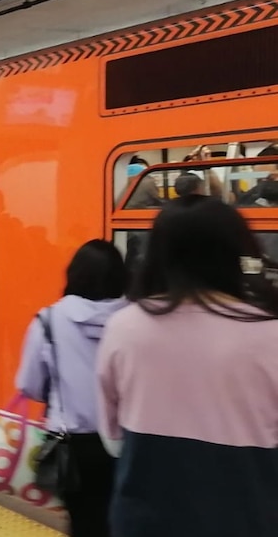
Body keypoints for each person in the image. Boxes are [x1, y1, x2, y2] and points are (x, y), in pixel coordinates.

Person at [97, 195, 278, 536]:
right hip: (248, 517)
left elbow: (112, 437)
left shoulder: (124, 327)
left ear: (156, 254)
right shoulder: (271, 334)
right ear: (236, 252)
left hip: (144, 520)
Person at [15, 239, 128, 537]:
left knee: (83, 521)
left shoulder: (48, 320)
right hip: (127, 442)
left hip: (71, 446)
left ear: (74, 275)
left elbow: (29, 384)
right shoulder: (135, 320)